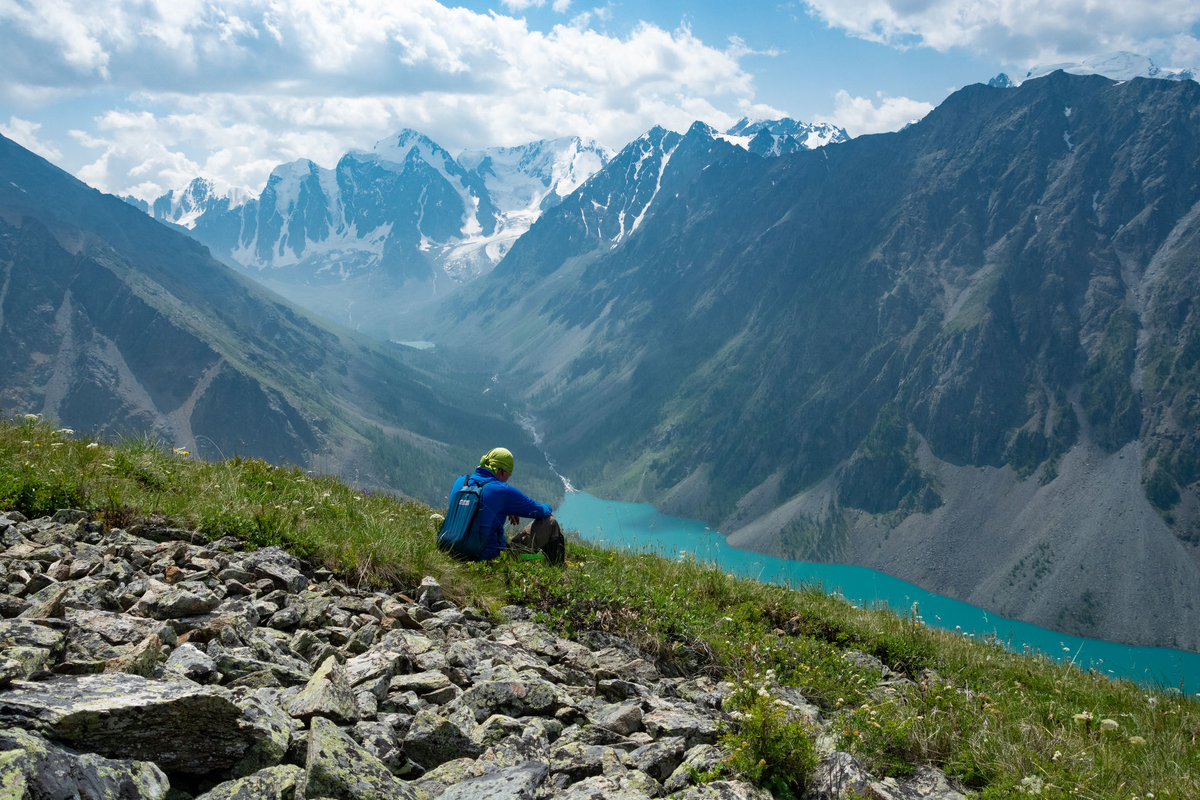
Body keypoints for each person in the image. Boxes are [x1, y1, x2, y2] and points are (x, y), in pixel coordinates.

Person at [446, 447, 565, 563]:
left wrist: (506, 508)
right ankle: (553, 565)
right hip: (489, 558)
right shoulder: (501, 490)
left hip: (452, 550)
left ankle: (540, 560)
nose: (507, 478)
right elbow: (538, 510)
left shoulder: (461, 481)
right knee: (550, 522)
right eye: (509, 474)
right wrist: (548, 508)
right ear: (502, 471)